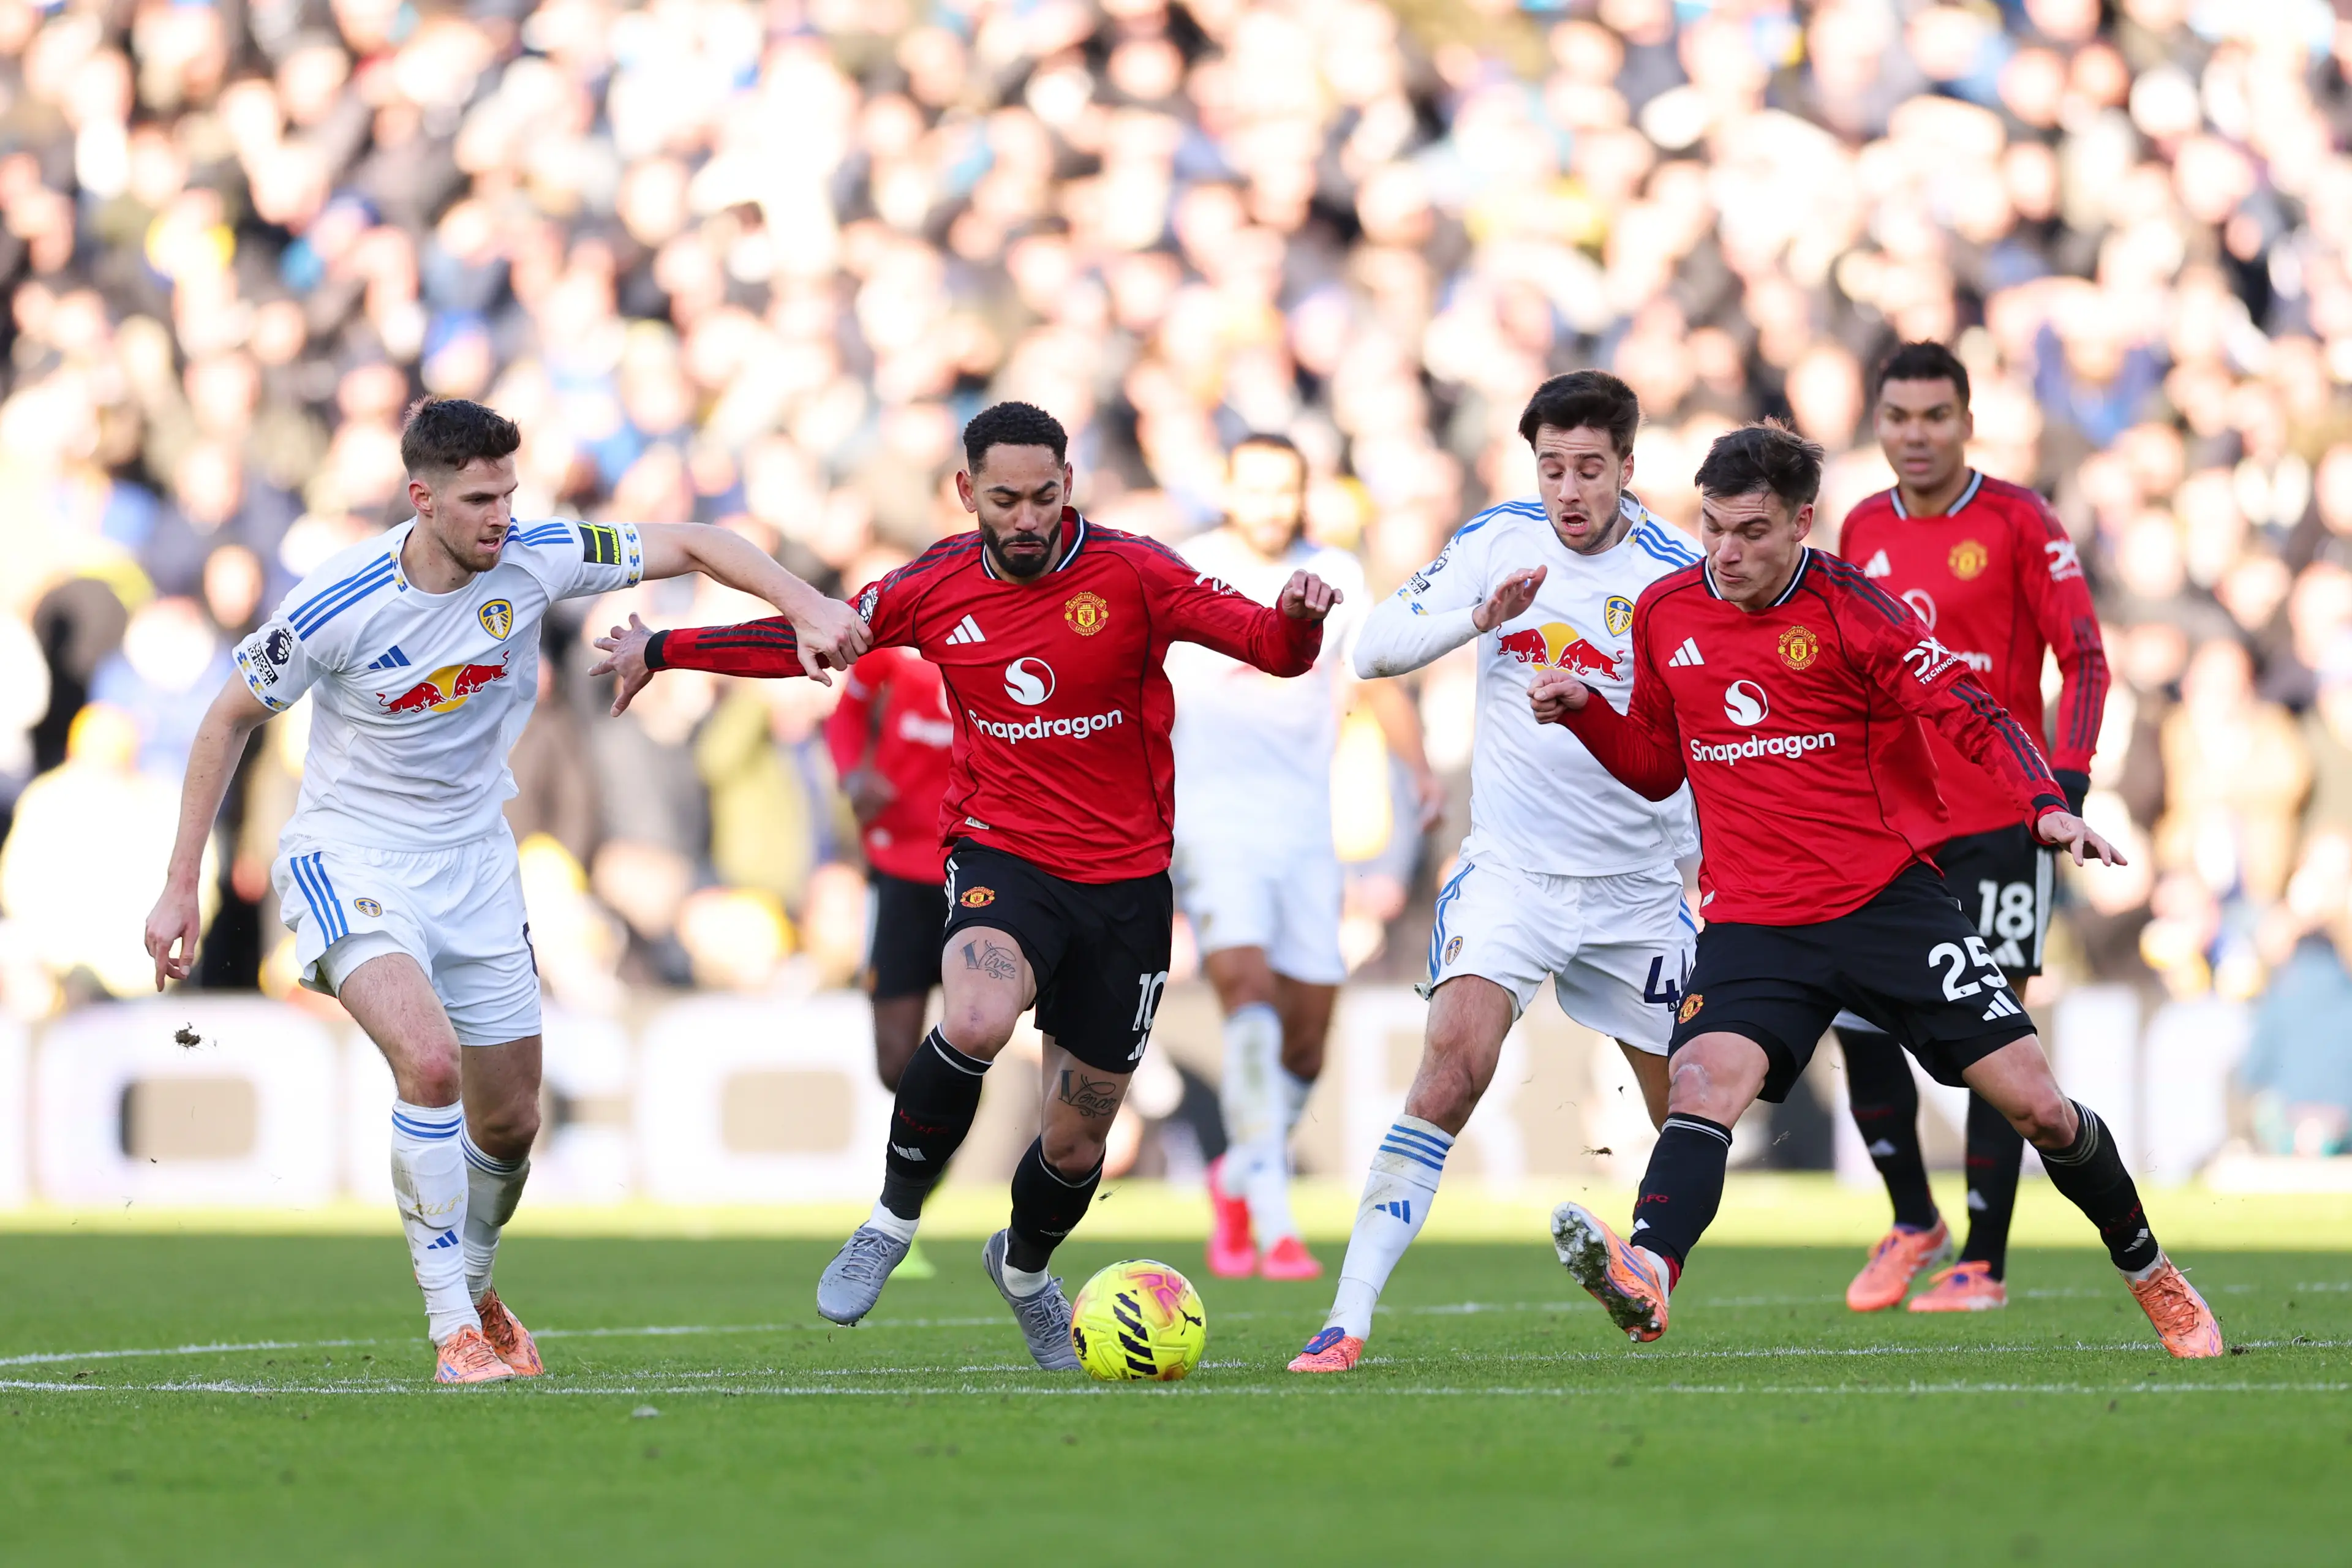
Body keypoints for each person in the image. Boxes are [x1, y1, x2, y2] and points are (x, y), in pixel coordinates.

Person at [590, 401, 1339, 1370]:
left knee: (1076, 1143)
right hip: (1002, 857)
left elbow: (1271, 649)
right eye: (1005, 499)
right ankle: (890, 1222)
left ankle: (1024, 1272)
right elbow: (812, 635)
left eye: (1043, 497)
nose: (1026, 519)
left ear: (1069, 485)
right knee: (977, 1019)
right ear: (966, 492)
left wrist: (1298, 621)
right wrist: (663, 649)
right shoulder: (935, 585)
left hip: (1126, 885)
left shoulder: (1135, 573)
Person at [141, 396, 865, 1385]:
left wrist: (808, 606)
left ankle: (476, 1283)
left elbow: (698, 541)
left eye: (510, 495)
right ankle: (453, 1330)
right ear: (422, 498)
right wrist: (180, 884)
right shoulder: (335, 603)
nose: (502, 517)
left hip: (478, 861)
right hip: (351, 858)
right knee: (431, 1062)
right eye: (480, 500)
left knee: (511, 1125)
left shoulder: (538, 555)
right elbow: (226, 720)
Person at [1529, 421, 2222, 1359]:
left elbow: (1970, 711)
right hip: (1756, 921)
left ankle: (2149, 1269)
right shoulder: (1666, 613)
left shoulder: (1857, 610)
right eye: (1713, 528)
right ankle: (1648, 1267)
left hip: (1885, 904)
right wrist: (1586, 715)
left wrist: (2044, 805)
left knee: (2040, 1109)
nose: (1726, 553)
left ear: (1801, 523)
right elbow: (1656, 766)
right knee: (1700, 1083)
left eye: (1752, 532)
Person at [1287, 370, 1702, 1375]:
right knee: (1450, 1072)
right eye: (1552, 467)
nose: (1569, 489)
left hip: (1639, 890)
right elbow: (1373, 650)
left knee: (1695, 1109)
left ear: (1629, 467)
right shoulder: (1495, 542)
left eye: (1590, 469)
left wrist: (1710, 867)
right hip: (1512, 875)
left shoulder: (1676, 576)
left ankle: (1649, 1273)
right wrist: (1479, 616)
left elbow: (1699, 741)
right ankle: (1346, 1320)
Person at [1831, 342, 2110, 1314]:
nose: (1916, 435)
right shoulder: (1862, 525)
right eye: (1898, 416)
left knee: (1996, 1040)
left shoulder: (2019, 519)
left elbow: (2083, 656)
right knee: (1856, 1019)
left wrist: (2063, 787)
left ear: (1967, 423)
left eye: (1935, 416)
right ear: (1878, 422)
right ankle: (1915, 1220)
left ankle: (1983, 1263)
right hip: (1894, 822)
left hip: (2001, 820)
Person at [1167, 432, 1441, 1284]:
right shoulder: (1187, 568)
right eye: (1254, 487)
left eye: (1284, 488)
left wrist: (1419, 772)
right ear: (1225, 490)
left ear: (1304, 494)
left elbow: (1373, 681)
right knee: (1247, 995)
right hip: (1213, 823)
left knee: (1308, 1043)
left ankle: (1235, 1178)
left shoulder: (1336, 573)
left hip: (1305, 830)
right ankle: (1276, 1221)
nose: (1270, 504)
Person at [822, 635, 956, 1280]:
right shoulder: (897, 643)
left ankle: (906, 1209)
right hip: (898, 868)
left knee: (972, 1037)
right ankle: (941, 1133)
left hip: (981, 865)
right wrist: (854, 774)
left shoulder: (1012, 633)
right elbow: (846, 711)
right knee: (894, 1064)